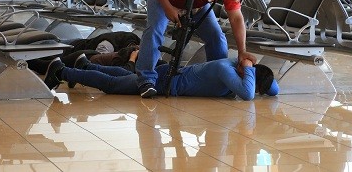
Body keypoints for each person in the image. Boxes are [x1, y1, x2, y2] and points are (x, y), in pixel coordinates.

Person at [136, 0, 257, 98]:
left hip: (195, 4)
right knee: (155, 30)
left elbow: (236, 18)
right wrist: (168, 8)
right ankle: (146, 80)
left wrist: (242, 51)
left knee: (217, 37)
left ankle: (219, 80)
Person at [43, 55, 279, 101]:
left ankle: (86, 65)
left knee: (126, 75)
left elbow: (273, 89)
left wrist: (254, 67)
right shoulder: (225, 69)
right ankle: (61, 71)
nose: (248, 86)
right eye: (248, 78)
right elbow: (248, 94)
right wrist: (248, 66)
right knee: (114, 85)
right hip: (164, 81)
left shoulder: (237, 70)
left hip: (167, 75)